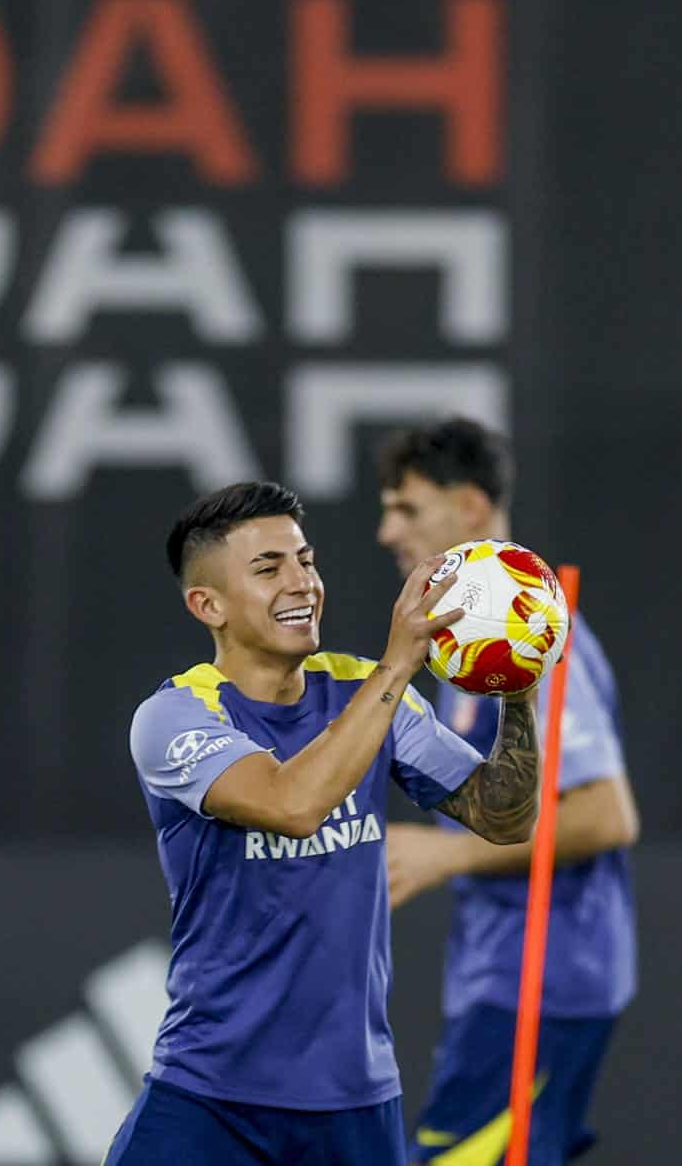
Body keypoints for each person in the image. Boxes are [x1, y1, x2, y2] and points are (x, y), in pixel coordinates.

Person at [105, 480, 542, 1165]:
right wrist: (399, 664)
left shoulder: (365, 690)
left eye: (305, 560)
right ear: (207, 604)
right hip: (212, 1097)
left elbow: (505, 815)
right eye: (268, 568)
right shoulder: (175, 717)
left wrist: (518, 684)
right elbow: (292, 805)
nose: (301, 583)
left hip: (355, 1103)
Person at [375, 418, 639, 1166]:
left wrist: (447, 855)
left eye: (407, 509)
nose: (386, 530)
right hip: (510, 972)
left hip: (542, 980)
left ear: (468, 509)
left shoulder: (529, 639)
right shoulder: (475, 652)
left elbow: (606, 814)